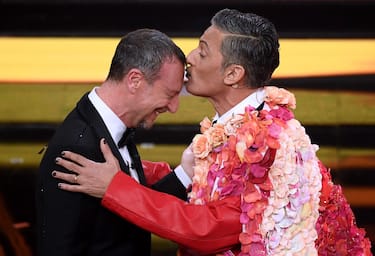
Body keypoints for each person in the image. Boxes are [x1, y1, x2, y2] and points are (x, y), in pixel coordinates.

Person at [51, 9, 373, 256]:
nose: (189, 58)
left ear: (233, 74)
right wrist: (134, 168)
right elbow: (210, 190)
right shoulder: (242, 125)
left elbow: (207, 227)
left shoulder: (269, 146)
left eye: (203, 51)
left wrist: (116, 186)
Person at [36, 28, 195, 256]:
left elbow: (129, 216)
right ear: (134, 80)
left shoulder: (111, 128)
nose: (174, 107)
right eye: (170, 94)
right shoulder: (77, 150)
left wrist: (186, 173)